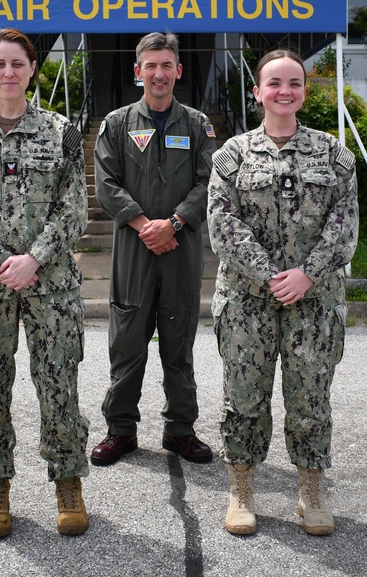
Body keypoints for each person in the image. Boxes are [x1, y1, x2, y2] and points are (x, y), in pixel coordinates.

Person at [0, 28, 90, 538]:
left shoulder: (62, 132)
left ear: (32, 70)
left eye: (18, 63)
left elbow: (74, 211)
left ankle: (68, 482)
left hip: (51, 287)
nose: (9, 72)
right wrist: (3, 261)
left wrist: (35, 259)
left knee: (59, 385)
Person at [208, 50, 358, 536]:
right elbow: (222, 224)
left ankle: (311, 491)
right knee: (244, 398)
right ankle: (241, 489)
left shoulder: (335, 155)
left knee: (310, 398)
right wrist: (271, 274)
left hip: (314, 301)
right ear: (257, 91)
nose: (284, 91)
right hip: (247, 300)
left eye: (294, 82)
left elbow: (343, 224)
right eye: (274, 83)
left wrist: (307, 274)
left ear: (304, 92)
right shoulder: (231, 155)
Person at [91, 31, 215, 467]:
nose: (159, 73)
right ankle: (120, 430)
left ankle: (180, 430)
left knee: (179, 342)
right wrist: (147, 225)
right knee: (127, 339)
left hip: (182, 247)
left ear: (178, 71)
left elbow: (209, 182)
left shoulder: (199, 125)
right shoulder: (118, 123)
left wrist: (176, 222)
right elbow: (106, 185)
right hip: (134, 246)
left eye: (167, 65)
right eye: (151, 65)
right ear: (137, 70)